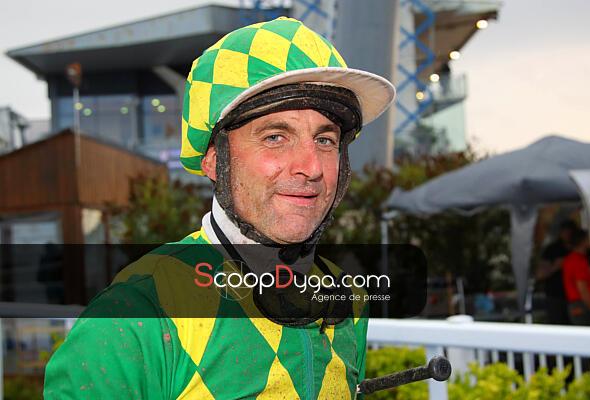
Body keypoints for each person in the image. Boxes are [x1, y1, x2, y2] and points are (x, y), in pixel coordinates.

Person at [44, 17, 395, 399]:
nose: (311, 168)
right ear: (213, 159)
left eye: (325, 140)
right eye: (275, 137)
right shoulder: (131, 315)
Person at [536, 220, 577, 324]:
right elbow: (540, 275)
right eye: (565, 231)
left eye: (570, 232)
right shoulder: (552, 249)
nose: (568, 234)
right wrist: (556, 266)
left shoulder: (578, 249)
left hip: (576, 297)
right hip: (555, 296)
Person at [562, 229, 590, 326]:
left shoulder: (572, 259)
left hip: (578, 305)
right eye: (588, 239)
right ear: (583, 241)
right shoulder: (578, 261)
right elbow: (582, 288)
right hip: (582, 305)